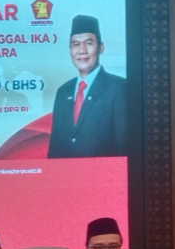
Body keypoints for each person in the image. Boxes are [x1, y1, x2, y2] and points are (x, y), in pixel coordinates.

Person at [47, 15, 128, 159]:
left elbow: (125, 146)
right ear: (70, 50)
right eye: (76, 44)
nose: (82, 50)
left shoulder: (119, 88)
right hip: (67, 173)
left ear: (101, 47)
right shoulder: (63, 92)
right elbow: (55, 149)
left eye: (88, 43)